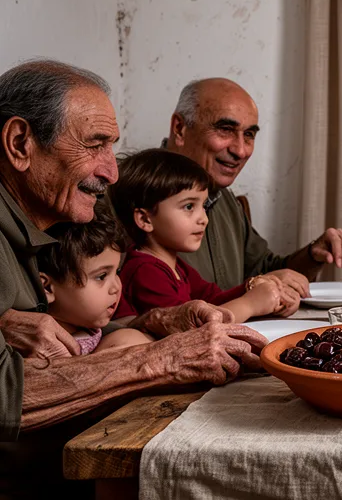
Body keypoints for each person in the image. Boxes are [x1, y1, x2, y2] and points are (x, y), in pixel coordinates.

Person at [0, 60, 267, 442]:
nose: (111, 172)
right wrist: (165, 359)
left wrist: (158, 320)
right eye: (94, 144)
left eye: (112, 148)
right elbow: (6, 395)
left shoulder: (49, 221)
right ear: (19, 144)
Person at [163, 78, 342, 315]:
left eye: (249, 135)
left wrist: (312, 255)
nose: (240, 150)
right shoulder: (130, 192)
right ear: (180, 129)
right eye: (225, 129)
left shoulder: (225, 200)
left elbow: (265, 270)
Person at [108, 149, 283, 321]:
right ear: (145, 219)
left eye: (203, 206)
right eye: (189, 207)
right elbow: (189, 332)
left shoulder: (176, 265)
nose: (204, 219)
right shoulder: (145, 272)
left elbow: (213, 299)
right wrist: (250, 304)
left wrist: (254, 287)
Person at [37, 202, 152, 355]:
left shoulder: (92, 330)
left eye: (117, 271)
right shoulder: (41, 348)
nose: (116, 287)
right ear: (47, 288)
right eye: (101, 276)